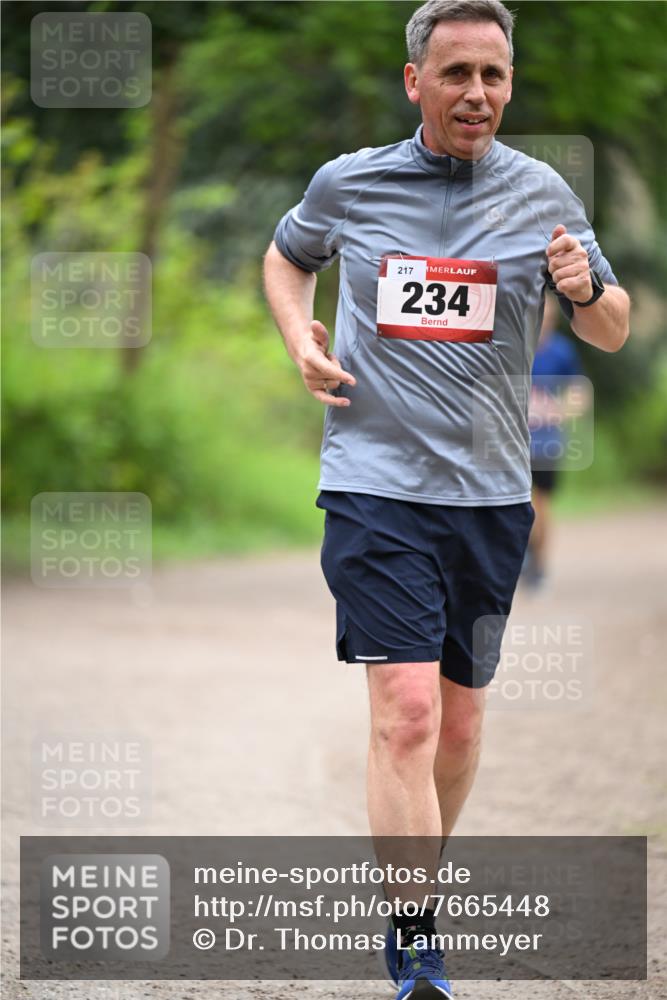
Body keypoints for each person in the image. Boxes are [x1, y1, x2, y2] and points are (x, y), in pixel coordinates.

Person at [263, 1, 630, 997]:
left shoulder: (542, 191)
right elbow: (287, 256)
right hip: (374, 488)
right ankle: (415, 934)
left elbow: (612, 329)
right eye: (457, 73)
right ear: (414, 80)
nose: (477, 94)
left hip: (489, 497)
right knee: (411, 712)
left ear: (509, 87)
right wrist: (300, 339)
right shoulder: (351, 181)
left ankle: (414, 877)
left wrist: (584, 289)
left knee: (461, 727)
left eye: (494, 77)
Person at [523, 293, 588, 589]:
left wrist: (558, 411)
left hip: (546, 441)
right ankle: (520, 557)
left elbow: (580, 394)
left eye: (547, 316)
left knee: (542, 504)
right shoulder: (512, 345)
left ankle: (538, 562)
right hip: (509, 442)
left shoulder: (562, 352)